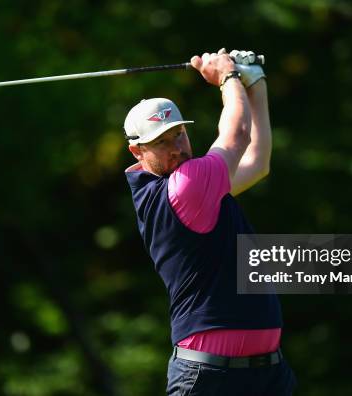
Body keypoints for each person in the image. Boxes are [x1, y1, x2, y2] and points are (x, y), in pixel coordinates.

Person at [123, 49, 296, 395]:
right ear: (138, 152)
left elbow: (257, 163)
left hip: (266, 374)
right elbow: (238, 135)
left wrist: (255, 82)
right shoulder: (187, 184)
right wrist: (228, 77)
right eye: (161, 142)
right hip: (208, 378)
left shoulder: (196, 188)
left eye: (179, 135)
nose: (177, 148)